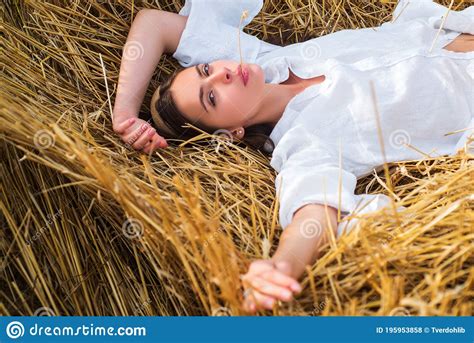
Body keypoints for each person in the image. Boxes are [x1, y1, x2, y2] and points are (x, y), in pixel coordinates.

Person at [112, 0, 474, 313]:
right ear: (231, 133)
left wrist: (125, 115)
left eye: (206, 69)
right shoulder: (304, 147)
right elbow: (312, 215)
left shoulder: (264, 58)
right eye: (211, 98)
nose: (222, 74)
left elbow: (153, 23)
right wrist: (281, 267)